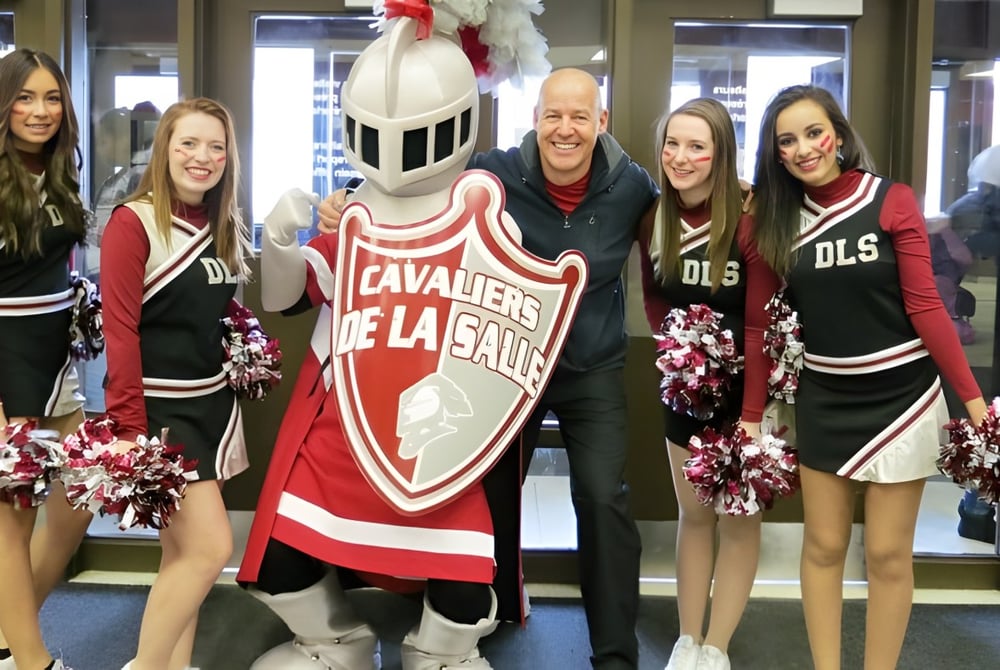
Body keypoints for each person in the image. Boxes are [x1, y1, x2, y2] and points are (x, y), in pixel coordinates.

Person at [320, 66, 660, 669]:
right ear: (536, 118)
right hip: (506, 366)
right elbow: (412, 184)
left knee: (604, 498)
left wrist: (741, 197)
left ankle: (615, 656)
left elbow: (689, 222)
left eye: (580, 116)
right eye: (553, 114)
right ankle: (492, 618)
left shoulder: (633, 185)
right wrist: (348, 198)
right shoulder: (493, 170)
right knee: (490, 493)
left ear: (601, 123)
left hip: (592, 369)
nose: (565, 129)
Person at [742, 84, 987, 670]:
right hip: (824, 396)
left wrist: (975, 402)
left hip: (902, 397)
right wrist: (751, 417)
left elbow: (928, 306)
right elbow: (757, 328)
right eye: (787, 140)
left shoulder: (891, 201)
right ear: (775, 155)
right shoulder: (772, 222)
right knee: (823, 546)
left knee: (885, 554)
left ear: (839, 135)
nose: (804, 149)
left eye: (813, 133)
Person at [100, 97, 253, 670]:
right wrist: (129, 429)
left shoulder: (223, 224)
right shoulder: (132, 222)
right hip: (163, 413)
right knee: (213, 548)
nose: (202, 157)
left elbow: (223, 317)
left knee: (183, 554)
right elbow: (120, 332)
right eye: (188, 143)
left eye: (216, 146)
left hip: (210, 407)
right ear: (164, 147)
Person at [638, 98, 768, 670]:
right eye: (672, 143)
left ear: (721, 154)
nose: (680, 157)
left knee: (739, 521)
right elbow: (654, 296)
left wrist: (754, 414)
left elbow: (763, 319)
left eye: (697, 146)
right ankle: (687, 640)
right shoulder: (654, 217)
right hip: (687, 393)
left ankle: (718, 647)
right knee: (693, 516)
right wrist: (678, 352)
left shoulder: (751, 219)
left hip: (748, 400)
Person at [0, 47, 94, 670]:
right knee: (13, 518)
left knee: (85, 487)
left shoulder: (60, 172)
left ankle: (9, 635)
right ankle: (30, 660)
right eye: (26, 97)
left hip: (57, 360)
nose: (40, 111)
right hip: (8, 359)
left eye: (52, 97)